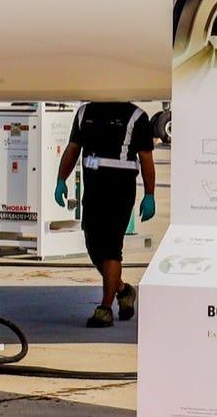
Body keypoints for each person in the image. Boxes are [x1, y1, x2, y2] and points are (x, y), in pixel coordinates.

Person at [54, 101, 159, 326]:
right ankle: (122, 290)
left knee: (111, 248)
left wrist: (149, 194)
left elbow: (146, 158)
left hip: (120, 191)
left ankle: (105, 309)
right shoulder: (85, 112)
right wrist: (61, 179)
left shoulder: (136, 116)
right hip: (93, 190)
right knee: (94, 247)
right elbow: (73, 148)